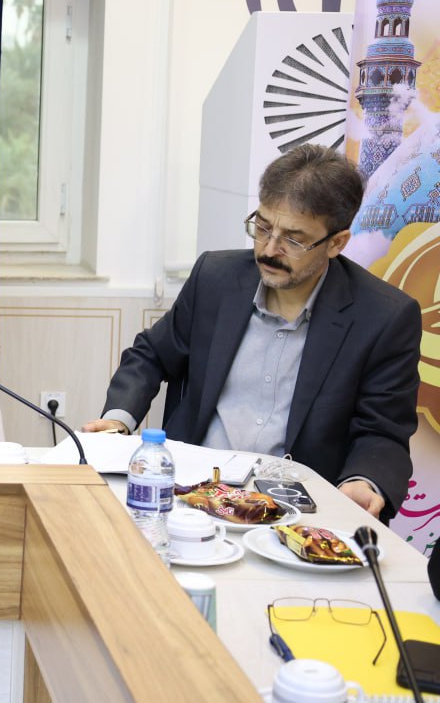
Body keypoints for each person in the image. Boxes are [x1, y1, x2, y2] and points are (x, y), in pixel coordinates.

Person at [84, 145, 421, 521]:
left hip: (295, 514)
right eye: (262, 227)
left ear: (337, 243)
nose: (269, 250)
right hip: (190, 498)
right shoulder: (216, 277)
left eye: (293, 239)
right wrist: (118, 420)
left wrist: (364, 480)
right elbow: (151, 354)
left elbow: (383, 431)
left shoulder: (383, 317)